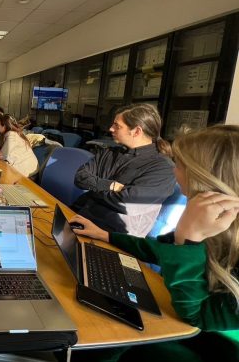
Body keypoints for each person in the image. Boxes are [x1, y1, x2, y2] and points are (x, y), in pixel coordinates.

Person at [69, 125, 239, 361]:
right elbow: (160, 251)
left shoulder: (204, 228)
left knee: (97, 342)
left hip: (208, 343)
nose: (174, 171)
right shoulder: (214, 219)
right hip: (178, 311)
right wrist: (105, 235)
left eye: (179, 165)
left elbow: (195, 316)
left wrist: (189, 240)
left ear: (205, 177)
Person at [72, 103, 175, 236]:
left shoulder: (163, 168)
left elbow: (127, 203)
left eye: (117, 126)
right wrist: (110, 185)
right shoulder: (109, 152)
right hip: (80, 213)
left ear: (136, 131)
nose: (111, 129)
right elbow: (80, 177)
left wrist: (94, 188)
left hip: (112, 234)